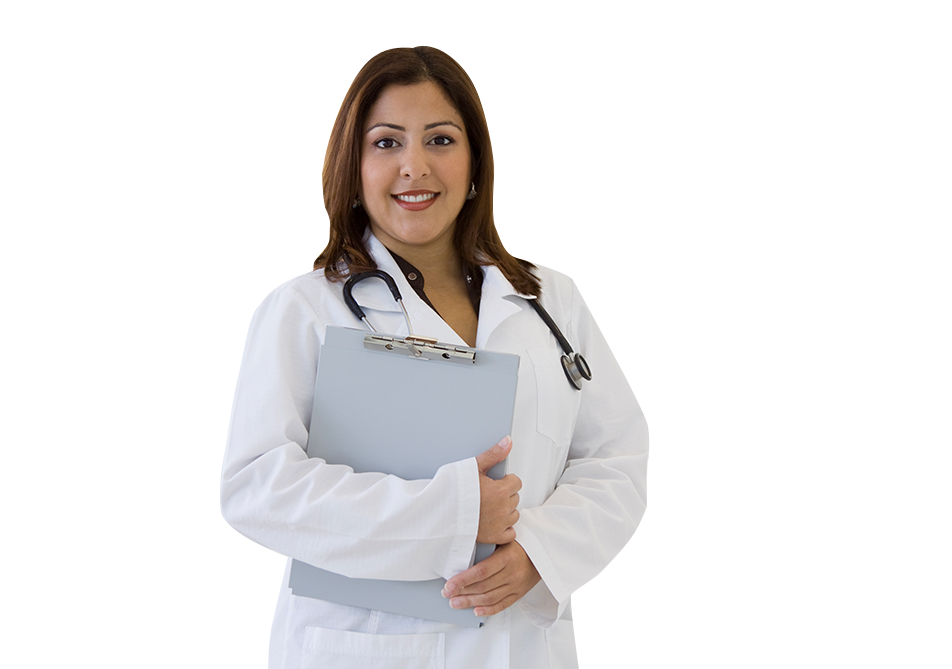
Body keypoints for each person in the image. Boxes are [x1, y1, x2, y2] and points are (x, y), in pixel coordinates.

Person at [220, 46, 649, 669]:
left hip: (524, 645)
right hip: (365, 649)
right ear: (354, 168)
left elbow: (616, 462)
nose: (414, 167)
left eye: (440, 140)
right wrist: (451, 515)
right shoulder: (305, 309)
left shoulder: (549, 300)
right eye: (386, 143)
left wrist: (538, 554)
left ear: (474, 162)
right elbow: (258, 489)